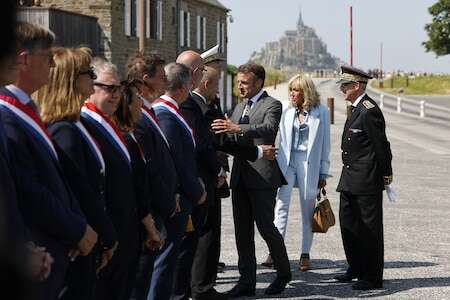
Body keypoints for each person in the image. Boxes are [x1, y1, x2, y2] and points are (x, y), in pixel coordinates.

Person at [0, 22, 97, 300]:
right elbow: (28, 188)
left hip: (59, 247)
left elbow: (60, 181)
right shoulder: (8, 115)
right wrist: (76, 229)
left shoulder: (26, 109)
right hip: (39, 250)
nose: (53, 66)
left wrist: (79, 227)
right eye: (48, 58)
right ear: (25, 60)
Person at [34, 46, 118, 300]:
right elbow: (79, 192)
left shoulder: (74, 124)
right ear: (71, 79)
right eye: (88, 73)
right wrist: (104, 237)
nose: (93, 79)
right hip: (80, 243)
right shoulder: (64, 130)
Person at [211, 63, 291, 297]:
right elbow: (232, 139)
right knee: (242, 232)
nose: (240, 86)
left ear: (258, 83)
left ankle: (283, 274)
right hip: (240, 179)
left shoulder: (272, 104)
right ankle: (247, 281)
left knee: (266, 228)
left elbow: (268, 128)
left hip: (263, 178)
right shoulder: (239, 106)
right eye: (239, 82)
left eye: (244, 82)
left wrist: (237, 127)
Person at [80, 58, 140, 300]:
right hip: (106, 233)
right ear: (89, 86)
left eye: (118, 88)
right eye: (109, 88)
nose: (116, 95)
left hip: (124, 230)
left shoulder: (107, 123)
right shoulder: (85, 123)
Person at [263, 74, 330, 272]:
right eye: (291, 89)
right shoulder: (285, 108)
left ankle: (305, 253)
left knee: (307, 210)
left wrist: (323, 173)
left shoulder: (322, 111)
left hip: (308, 164)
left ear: (306, 92)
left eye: (296, 90)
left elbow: (325, 144)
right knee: (280, 206)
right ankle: (275, 251)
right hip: (287, 162)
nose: (292, 93)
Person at [334, 65, 393, 291]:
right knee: (349, 225)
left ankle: (372, 276)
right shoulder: (355, 108)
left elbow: (381, 145)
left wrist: (386, 173)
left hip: (366, 181)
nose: (342, 89)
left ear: (356, 86)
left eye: (345, 85)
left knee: (370, 230)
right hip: (349, 178)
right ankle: (356, 267)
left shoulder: (369, 110)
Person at [125, 53, 179, 300]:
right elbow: (148, 168)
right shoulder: (138, 119)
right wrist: (167, 199)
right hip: (153, 210)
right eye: (162, 76)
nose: (166, 81)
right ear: (146, 79)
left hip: (163, 206)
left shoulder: (148, 112)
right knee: (145, 280)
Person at [152, 62, 207, 299]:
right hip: (176, 198)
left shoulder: (170, 111)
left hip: (179, 195)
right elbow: (176, 160)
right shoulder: (166, 114)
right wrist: (196, 191)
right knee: (164, 263)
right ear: (184, 87)